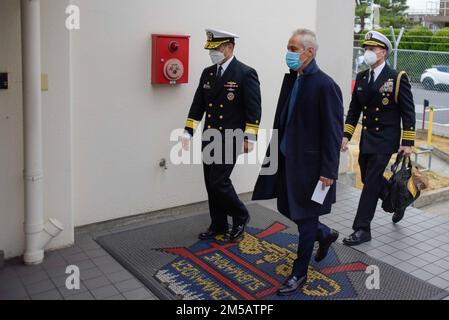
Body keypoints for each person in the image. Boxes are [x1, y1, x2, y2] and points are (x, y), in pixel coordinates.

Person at [252, 29, 343, 296]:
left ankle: (299, 272)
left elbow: (333, 131)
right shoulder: (294, 78)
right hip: (284, 160)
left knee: (304, 220)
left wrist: (328, 171)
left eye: (294, 48)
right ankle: (323, 233)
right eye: (288, 47)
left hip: (311, 168)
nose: (289, 53)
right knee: (285, 206)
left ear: (309, 52)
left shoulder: (325, 85)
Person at [182, 29, 262, 243]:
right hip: (210, 136)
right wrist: (188, 131)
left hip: (231, 137)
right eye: (211, 49)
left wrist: (250, 138)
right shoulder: (208, 73)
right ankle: (218, 223)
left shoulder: (245, 73)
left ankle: (240, 216)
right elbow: (198, 104)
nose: (212, 53)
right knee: (210, 182)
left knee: (219, 181)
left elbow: (254, 109)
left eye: (216, 49)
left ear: (229, 47)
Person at [341, 31, 416, 246]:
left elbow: (408, 112)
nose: (367, 53)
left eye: (372, 49)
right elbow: (354, 109)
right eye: (365, 49)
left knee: (371, 181)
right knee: (367, 178)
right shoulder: (362, 77)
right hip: (367, 138)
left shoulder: (397, 77)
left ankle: (362, 229)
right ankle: (398, 202)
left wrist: (407, 143)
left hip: (386, 139)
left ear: (383, 52)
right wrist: (346, 135)